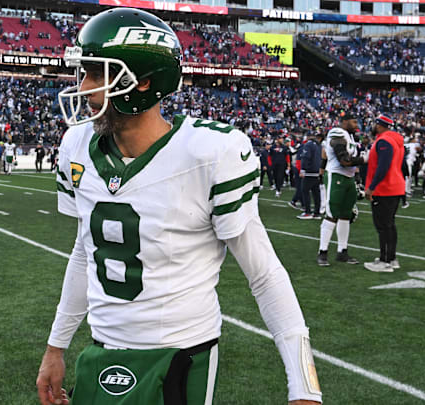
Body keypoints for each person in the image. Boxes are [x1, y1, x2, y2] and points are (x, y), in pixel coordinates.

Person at [36, 8, 321, 405]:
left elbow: (265, 274)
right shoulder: (77, 145)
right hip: (101, 351)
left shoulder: (210, 152)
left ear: (144, 83)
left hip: (180, 356)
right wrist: (56, 346)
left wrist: (304, 385)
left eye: (97, 74)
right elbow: (85, 252)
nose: (84, 87)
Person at [316, 112, 363, 267]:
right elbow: (344, 160)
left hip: (348, 178)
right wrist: (365, 159)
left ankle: (342, 251)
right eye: (353, 121)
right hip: (336, 175)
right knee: (332, 214)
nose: (356, 125)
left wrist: (358, 180)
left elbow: (352, 164)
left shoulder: (351, 138)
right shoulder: (337, 133)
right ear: (344, 122)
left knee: (346, 215)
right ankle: (322, 252)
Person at [364, 115, 406, 272]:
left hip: (385, 188)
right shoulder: (395, 140)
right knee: (389, 224)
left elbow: (383, 166)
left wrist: (372, 187)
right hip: (395, 186)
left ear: (380, 125)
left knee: (383, 225)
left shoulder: (384, 141)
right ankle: (391, 257)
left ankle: (385, 261)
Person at [297, 133, 322, 220]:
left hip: (309, 172)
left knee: (305, 191)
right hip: (317, 172)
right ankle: (317, 212)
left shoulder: (308, 145)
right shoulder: (319, 145)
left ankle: (308, 212)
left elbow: (305, 157)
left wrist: (303, 169)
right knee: (316, 193)